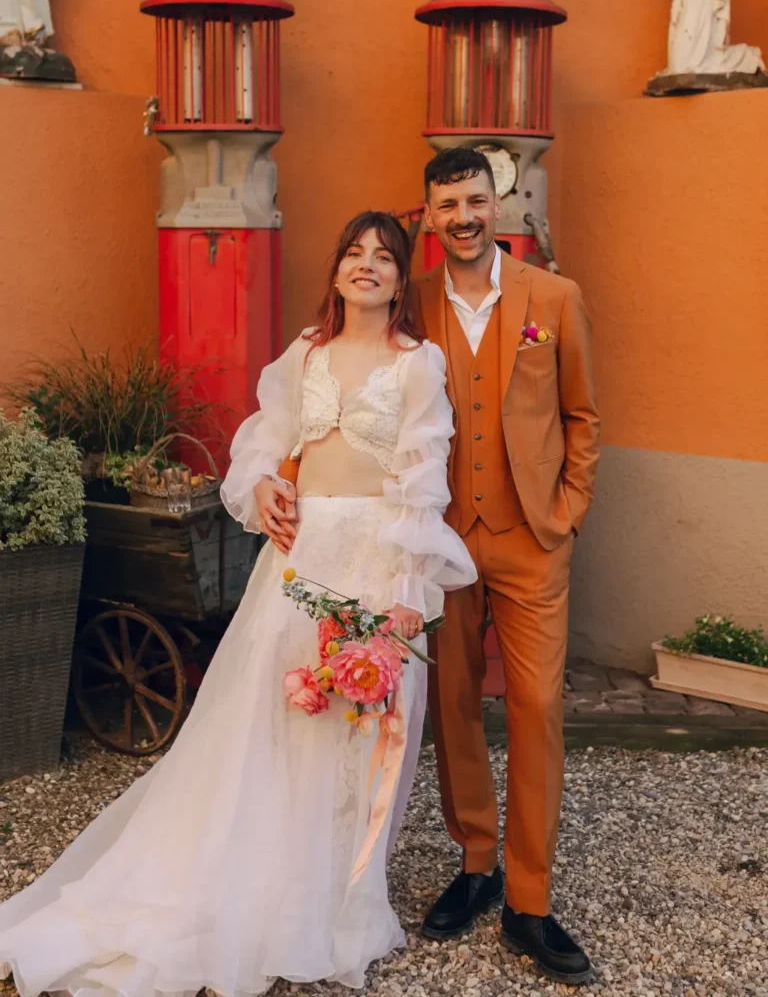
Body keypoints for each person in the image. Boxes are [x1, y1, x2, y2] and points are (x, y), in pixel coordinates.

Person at [0, 211, 476, 996]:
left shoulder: (419, 365)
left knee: (354, 733)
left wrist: (400, 601)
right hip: (300, 559)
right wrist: (263, 483)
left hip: (374, 561)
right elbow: (261, 438)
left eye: (384, 258)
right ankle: (248, 875)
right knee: (273, 719)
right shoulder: (306, 353)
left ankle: (329, 904)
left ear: (400, 280)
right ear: (335, 272)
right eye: (353, 253)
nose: (366, 266)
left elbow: (424, 481)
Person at [414, 148, 600, 986]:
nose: (463, 216)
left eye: (476, 200)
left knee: (534, 707)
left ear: (502, 204)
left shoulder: (554, 298)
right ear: (428, 215)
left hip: (531, 537)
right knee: (453, 705)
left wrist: (566, 513)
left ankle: (530, 899)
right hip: (444, 539)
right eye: (447, 203)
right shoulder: (411, 306)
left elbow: (583, 416)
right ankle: (477, 862)